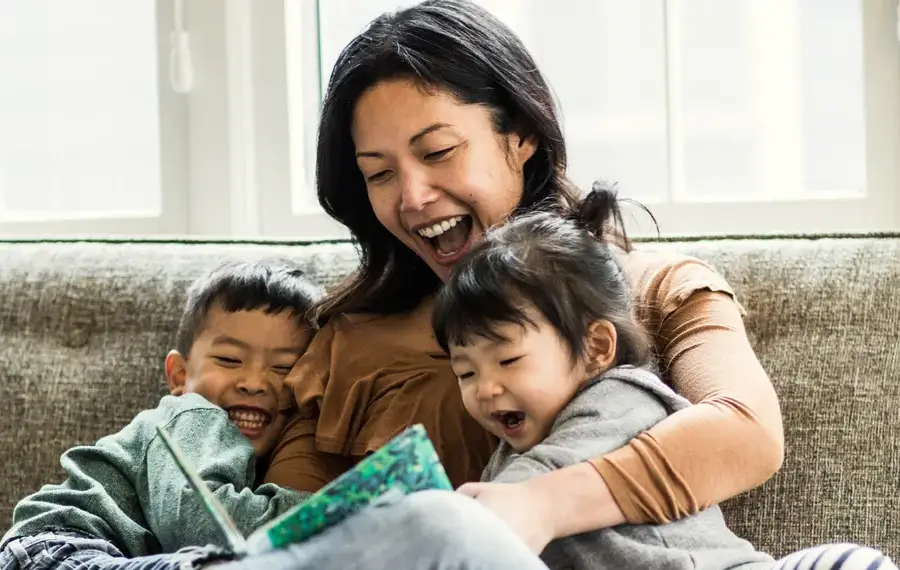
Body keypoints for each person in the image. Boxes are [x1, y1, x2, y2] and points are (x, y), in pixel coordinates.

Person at [229, 0, 889, 568]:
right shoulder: (347, 341)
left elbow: (746, 432)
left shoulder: (653, 289)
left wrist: (538, 504)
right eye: (378, 174)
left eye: (436, 153)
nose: (412, 196)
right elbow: (290, 535)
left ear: (519, 137)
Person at [431, 188, 895, 570]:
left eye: (508, 361)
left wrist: (453, 521)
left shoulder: (619, 400)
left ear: (596, 348)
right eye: (466, 371)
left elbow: (534, 483)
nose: (485, 387)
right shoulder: (508, 460)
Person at [0, 260, 323, 570]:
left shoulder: (287, 449)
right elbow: (198, 524)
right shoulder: (191, 416)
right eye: (229, 359)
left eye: (284, 367)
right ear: (180, 376)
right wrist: (326, 510)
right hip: (58, 549)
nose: (254, 384)